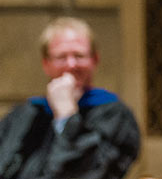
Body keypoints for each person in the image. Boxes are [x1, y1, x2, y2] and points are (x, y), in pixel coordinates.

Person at [0, 17, 140, 179]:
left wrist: (66, 116)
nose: (71, 64)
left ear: (94, 59)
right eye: (61, 57)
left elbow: (89, 173)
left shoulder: (115, 116)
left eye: (79, 55)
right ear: (46, 63)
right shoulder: (23, 114)